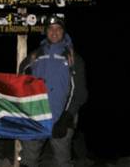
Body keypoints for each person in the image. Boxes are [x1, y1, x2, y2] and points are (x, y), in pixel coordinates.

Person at [18, 15, 88, 167]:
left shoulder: (73, 58)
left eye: (58, 29)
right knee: (28, 160)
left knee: (62, 161)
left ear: (64, 32)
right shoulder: (34, 55)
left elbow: (81, 93)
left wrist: (67, 117)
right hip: (36, 117)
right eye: (50, 29)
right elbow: (20, 81)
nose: (54, 32)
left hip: (62, 119)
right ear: (45, 31)